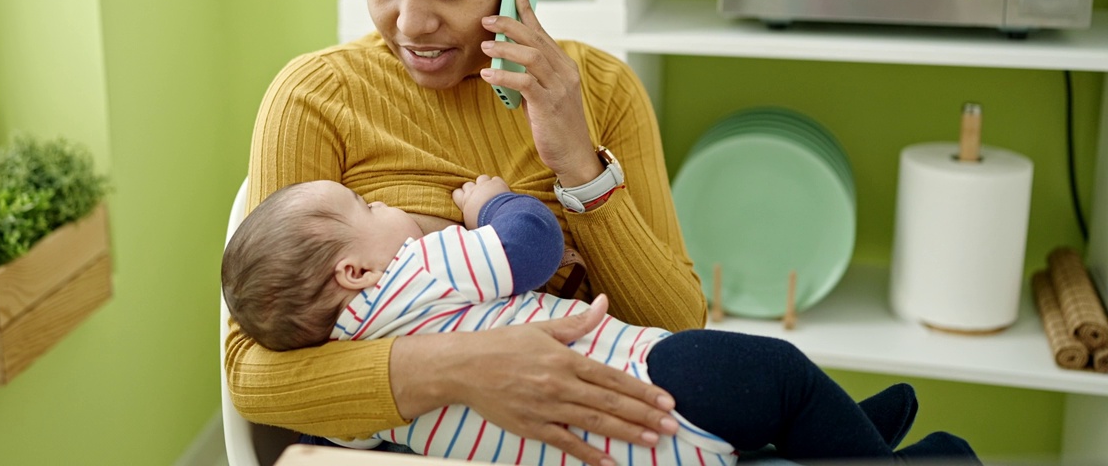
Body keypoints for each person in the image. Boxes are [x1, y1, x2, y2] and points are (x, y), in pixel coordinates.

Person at [225, 0, 709, 463]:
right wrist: (472, 368)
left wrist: (579, 165)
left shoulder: (600, 91)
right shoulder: (316, 99)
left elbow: (682, 334)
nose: (411, 22)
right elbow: (255, 377)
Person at [222, 176, 982, 464]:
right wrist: (488, 204)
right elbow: (533, 244)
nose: (386, 206)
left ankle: (865, 441)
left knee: (766, 447)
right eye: (365, 209)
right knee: (779, 376)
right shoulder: (413, 273)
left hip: (621, 453)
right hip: (647, 382)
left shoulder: (352, 407)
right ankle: (846, 437)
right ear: (353, 272)